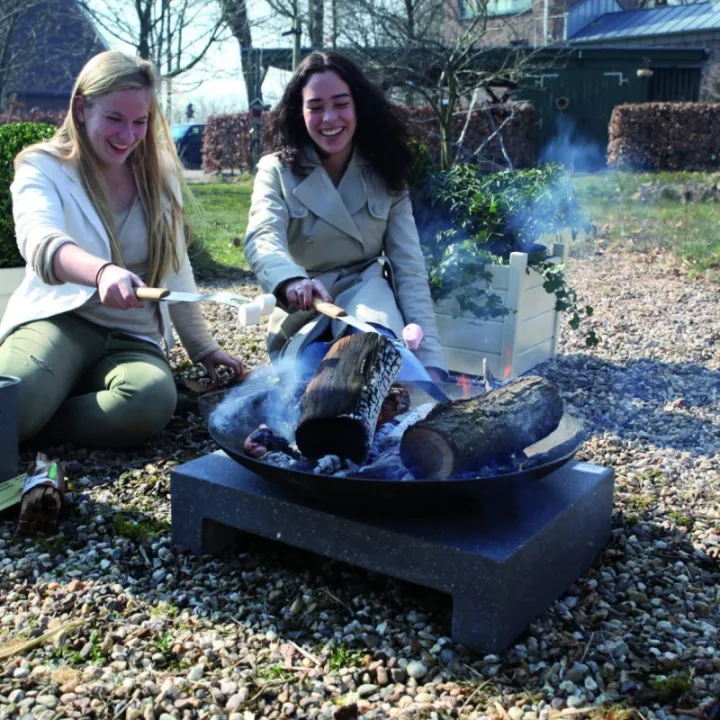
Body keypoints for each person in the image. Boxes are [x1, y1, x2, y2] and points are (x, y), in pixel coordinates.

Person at [0, 51, 244, 448]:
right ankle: (33, 408)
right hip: (59, 320)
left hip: (134, 338)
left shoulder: (158, 176)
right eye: (114, 118)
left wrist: (205, 348)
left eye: (140, 122)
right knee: (11, 406)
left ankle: (43, 418)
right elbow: (39, 241)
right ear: (81, 109)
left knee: (151, 401)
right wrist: (100, 272)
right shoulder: (41, 167)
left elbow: (175, 268)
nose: (128, 136)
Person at [244, 51, 447, 381]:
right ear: (300, 111)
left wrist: (432, 360)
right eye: (315, 106)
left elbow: (409, 265)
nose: (329, 118)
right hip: (304, 312)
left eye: (341, 103)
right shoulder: (276, 169)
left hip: (370, 305)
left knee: (368, 367)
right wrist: (290, 279)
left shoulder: (387, 169)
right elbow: (262, 236)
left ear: (358, 106)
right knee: (309, 382)